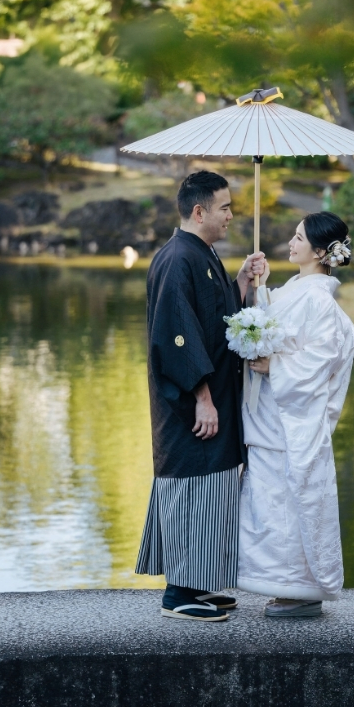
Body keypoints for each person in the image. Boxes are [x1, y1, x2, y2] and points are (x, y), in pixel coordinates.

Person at [135, 170, 266, 622]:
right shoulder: (177, 258)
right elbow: (177, 336)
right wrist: (202, 398)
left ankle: (196, 583)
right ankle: (178, 593)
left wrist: (243, 285)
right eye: (225, 207)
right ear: (199, 211)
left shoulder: (202, 254)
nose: (231, 215)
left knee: (213, 485)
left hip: (212, 397)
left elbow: (214, 319)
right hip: (191, 403)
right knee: (194, 484)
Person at [237, 212, 354, 617]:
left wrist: (276, 367)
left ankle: (303, 587)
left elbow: (321, 356)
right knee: (270, 502)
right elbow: (276, 322)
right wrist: (259, 288)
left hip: (291, 416)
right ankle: (282, 582)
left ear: (321, 252)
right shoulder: (296, 287)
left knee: (291, 502)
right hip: (272, 415)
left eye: (299, 237)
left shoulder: (320, 297)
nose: (291, 242)